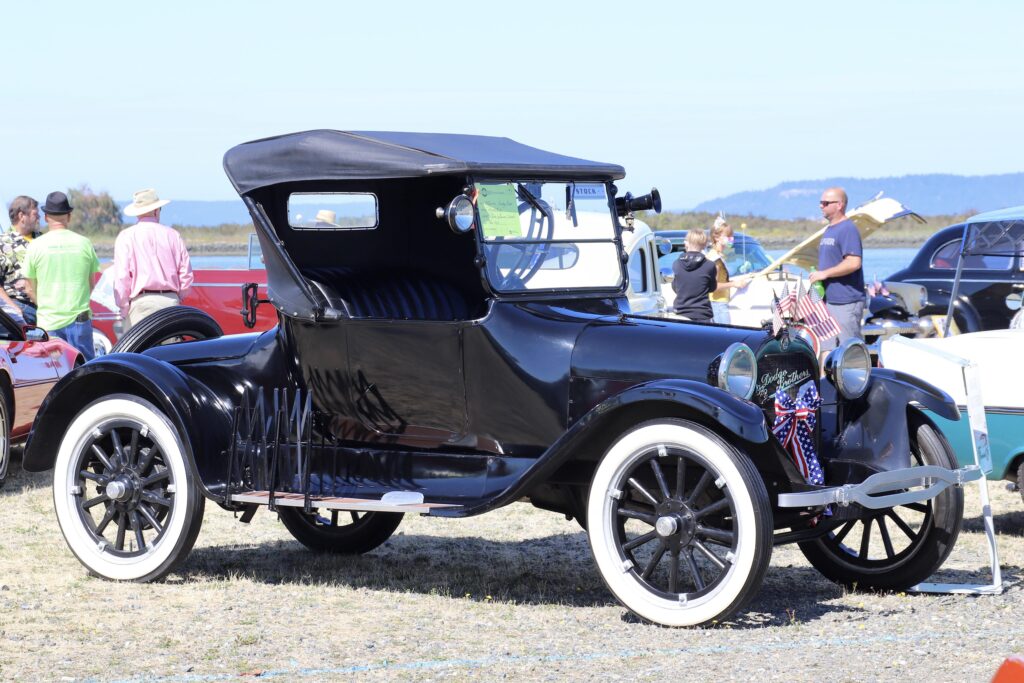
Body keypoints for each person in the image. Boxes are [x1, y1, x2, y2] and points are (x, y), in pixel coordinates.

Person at [24, 191, 101, 359]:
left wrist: (44, 303)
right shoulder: (84, 243)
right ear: (69, 216)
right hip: (79, 320)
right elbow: (91, 283)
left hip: (48, 322)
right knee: (85, 372)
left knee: (52, 375)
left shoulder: (36, 246)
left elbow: (29, 288)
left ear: (46, 217)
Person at [113, 188, 193, 332]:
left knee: (137, 353)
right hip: (170, 303)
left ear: (137, 213)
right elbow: (186, 275)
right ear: (157, 210)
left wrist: (124, 308)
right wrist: (177, 297)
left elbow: (122, 278)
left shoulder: (126, 236)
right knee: (172, 352)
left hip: (140, 304)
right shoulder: (173, 235)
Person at [809, 187, 864, 345]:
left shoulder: (847, 229)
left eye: (825, 203)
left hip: (846, 301)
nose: (821, 206)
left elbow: (854, 262)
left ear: (839, 205)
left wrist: (824, 273)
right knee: (827, 348)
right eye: (820, 202)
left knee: (849, 350)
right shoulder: (829, 230)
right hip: (828, 300)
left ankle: (859, 370)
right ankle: (824, 371)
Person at [0, 196, 42, 323]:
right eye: (35, 214)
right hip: (21, 308)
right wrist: (14, 309)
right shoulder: (3, 243)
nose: (39, 218)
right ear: (21, 216)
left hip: (48, 309)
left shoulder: (44, 240)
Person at [706, 216, 751, 324]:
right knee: (725, 335)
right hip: (718, 304)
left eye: (732, 236)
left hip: (720, 303)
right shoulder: (715, 259)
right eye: (728, 236)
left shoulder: (719, 256)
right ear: (716, 237)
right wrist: (734, 284)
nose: (731, 239)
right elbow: (714, 286)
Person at [671, 229, 718, 322]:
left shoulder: (676, 264)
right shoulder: (710, 265)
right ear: (704, 245)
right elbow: (712, 288)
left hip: (681, 313)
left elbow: (675, 287)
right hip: (702, 313)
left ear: (686, 243)